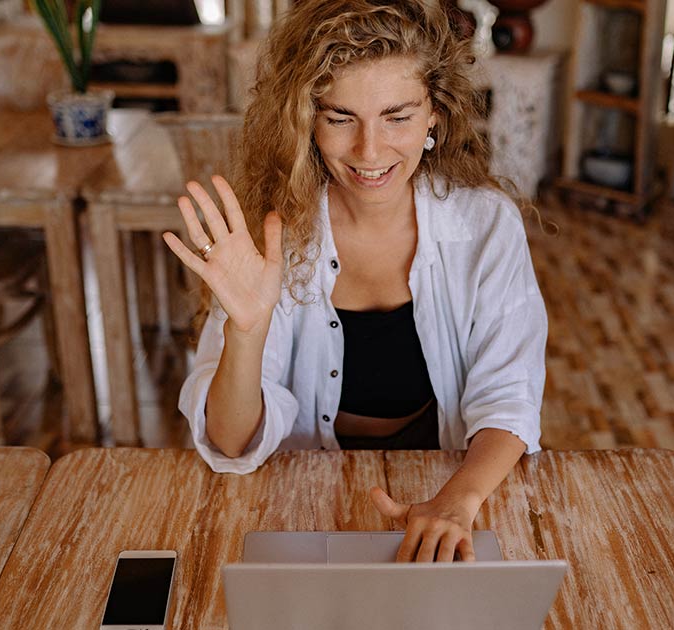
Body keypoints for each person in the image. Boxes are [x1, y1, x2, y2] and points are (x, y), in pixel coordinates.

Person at [163, 0, 547, 564]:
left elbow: (509, 397)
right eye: (341, 117)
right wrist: (246, 330)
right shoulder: (273, 235)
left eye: (398, 116)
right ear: (307, 121)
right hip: (299, 500)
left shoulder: (486, 225)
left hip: (452, 482)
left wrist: (455, 502)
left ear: (435, 114)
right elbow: (228, 440)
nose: (371, 152)